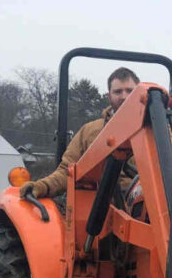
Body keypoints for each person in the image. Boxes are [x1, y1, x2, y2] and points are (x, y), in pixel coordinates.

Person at [20, 67, 140, 199]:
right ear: (109, 96)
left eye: (130, 91)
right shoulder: (89, 132)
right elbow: (67, 172)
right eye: (118, 92)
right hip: (98, 208)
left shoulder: (157, 132)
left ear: (139, 94)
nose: (124, 96)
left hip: (145, 207)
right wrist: (42, 186)